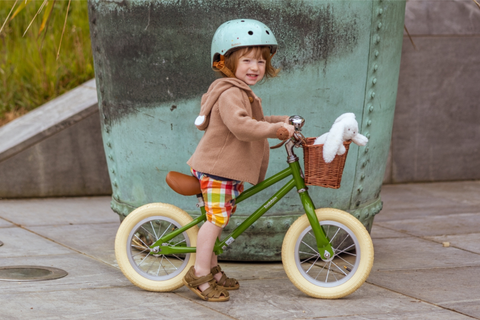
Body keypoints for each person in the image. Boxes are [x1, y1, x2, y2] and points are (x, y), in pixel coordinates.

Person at [183, 19, 295, 302]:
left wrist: (281, 120)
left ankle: (213, 269)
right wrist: (274, 130)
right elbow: (243, 126)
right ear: (226, 61)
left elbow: (255, 121)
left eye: (260, 60)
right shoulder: (231, 93)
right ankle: (199, 274)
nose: (255, 67)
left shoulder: (239, 90)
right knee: (216, 221)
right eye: (247, 60)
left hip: (224, 169)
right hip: (217, 169)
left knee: (219, 218)